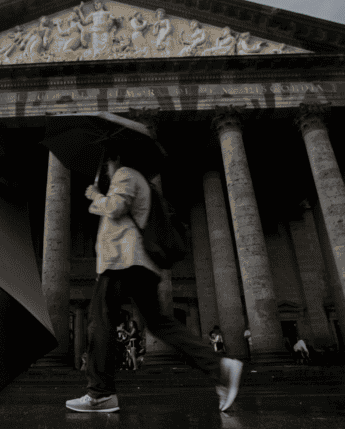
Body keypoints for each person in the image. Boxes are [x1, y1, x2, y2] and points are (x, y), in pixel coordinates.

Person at [65, 145, 243, 413]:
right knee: (159, 323)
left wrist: (95, 196)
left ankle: (101, 393)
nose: (105, 168)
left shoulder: (125, 174)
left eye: (106, 163)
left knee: (99, 322)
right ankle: (219, 367)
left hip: (122, 261)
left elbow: (115, 208)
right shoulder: (142, 182)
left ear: (116, 157)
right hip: (139, 264)